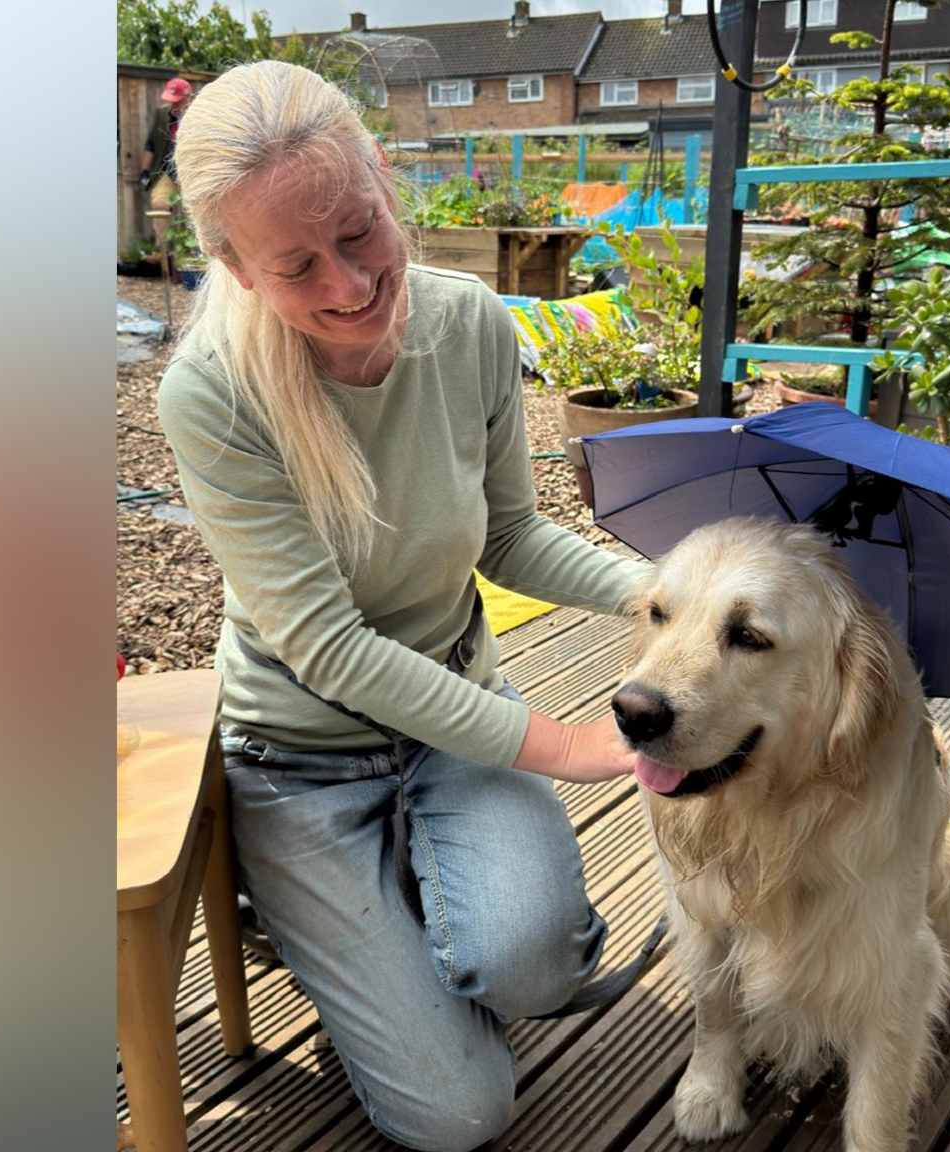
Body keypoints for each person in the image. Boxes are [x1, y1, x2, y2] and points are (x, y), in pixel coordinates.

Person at [155, 61, 647, 1152]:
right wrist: (559, 745)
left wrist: (662, 595)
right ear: (233, 267)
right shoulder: (209, 396)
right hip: (300, 760)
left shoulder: (470, 323)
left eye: (358, 231)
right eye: (294, 266)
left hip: (454, 722)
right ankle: (316, 919)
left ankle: (390, 936)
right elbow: (325, 649)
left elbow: (511, 535)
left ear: (383, 178)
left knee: (533, 971)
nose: (346, 284)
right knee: (457, 1116)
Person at [138, 77, 193, 215]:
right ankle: (162, 238)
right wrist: (144, 172)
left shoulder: (202, 116)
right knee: (159, 204)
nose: (173, 105)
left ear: (189, 98)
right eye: (171, 101)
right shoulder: (162, 114)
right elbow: (151, 143)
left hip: (193, 173)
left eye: (178, 102)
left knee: (192, 213)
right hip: (168, 171)